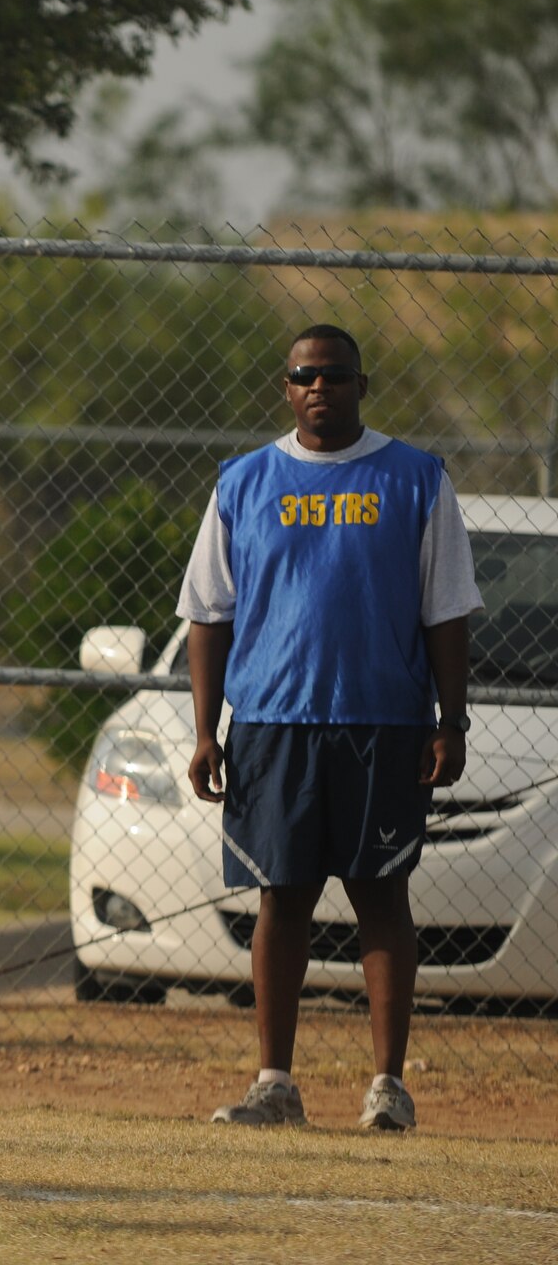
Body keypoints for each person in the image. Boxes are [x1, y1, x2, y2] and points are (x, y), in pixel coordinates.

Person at [181, 323, 480, 1133]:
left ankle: (389, 1087)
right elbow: (208, 613)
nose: (320, 388)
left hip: (381, 721)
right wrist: (207, 730)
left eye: (336, 376)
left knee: (382, 894)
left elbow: (445, 611)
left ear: (360, 384)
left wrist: (450, 720)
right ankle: (274, 1083)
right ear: (286, 387)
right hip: (275, 721)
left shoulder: (416, 479)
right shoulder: (243, 482)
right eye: (305, 376)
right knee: (284, 896)